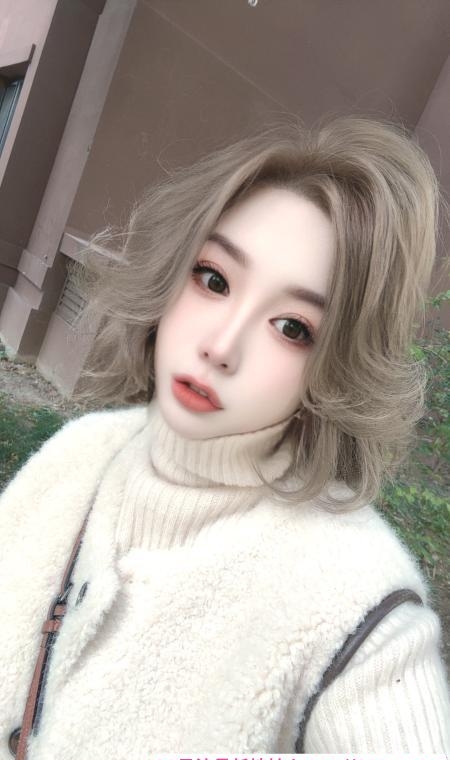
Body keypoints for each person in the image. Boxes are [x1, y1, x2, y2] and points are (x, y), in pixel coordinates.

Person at [1, 116, 449, 758]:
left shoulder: (361, 615)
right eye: (214, 279)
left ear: (338, 371)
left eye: (293, 328)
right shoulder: (78, 454)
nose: (221, 346)